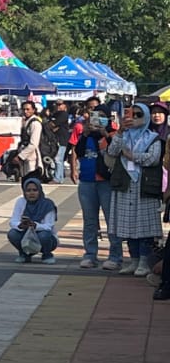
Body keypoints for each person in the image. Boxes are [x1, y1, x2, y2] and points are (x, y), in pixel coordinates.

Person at [106, 102, 163, 277]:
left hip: (144, 185)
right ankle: (134, 260)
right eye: (132, 114)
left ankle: (145, 262)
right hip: (125, 184)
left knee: (144, 227)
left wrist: (133, 156)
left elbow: (153, 158)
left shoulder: (153, 137)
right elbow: (112, 151)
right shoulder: (124, 135)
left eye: (139, 115)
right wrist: (121, 131)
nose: (135, 118)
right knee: (128, 226)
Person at [72, 105, 121, 269]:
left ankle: (115, 256)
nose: (98, 118)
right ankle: (90, 254)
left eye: (102, 115)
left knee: (111, 220)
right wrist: (85, 134)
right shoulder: (86, 135)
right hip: (87, 181)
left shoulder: (113, 134)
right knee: (90, 220)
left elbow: (116, 151)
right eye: (95, 115)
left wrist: (105, 135)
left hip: (106, 182)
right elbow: (78, 151)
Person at [6, 175, 58, 263]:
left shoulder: (47, 204)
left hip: (44, 236)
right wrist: (20, 225)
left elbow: (49, 226)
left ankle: (47, 255)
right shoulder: (21, 201)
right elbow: (13, 221)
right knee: (12, 233)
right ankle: (24, 254)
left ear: (40, 191)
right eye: (28, 190)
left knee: (44, 235)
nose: (31, 193)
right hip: (26, 233)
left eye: (35, 190)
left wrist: (35, 225)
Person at [16, 101, 44, 180]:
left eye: (28, 109)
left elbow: (34, 144)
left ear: (33, 110)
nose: (25, 111)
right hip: (25, 157)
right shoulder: (26, 121)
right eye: (24, 109)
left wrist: (21, 156)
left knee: (31, 181)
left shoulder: (35, 123)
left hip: (32, 158)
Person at [50, 101, 73, 184]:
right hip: (55, 140)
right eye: (56, 104)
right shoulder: (55, 114)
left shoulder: (63, 114)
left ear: (64, 106)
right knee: (57, 159)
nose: (58, 106)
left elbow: (52, 124)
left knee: (58, 159)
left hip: (62, 140)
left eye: (60, 104)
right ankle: (60, 177)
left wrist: (52, 125)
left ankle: (57, 178)